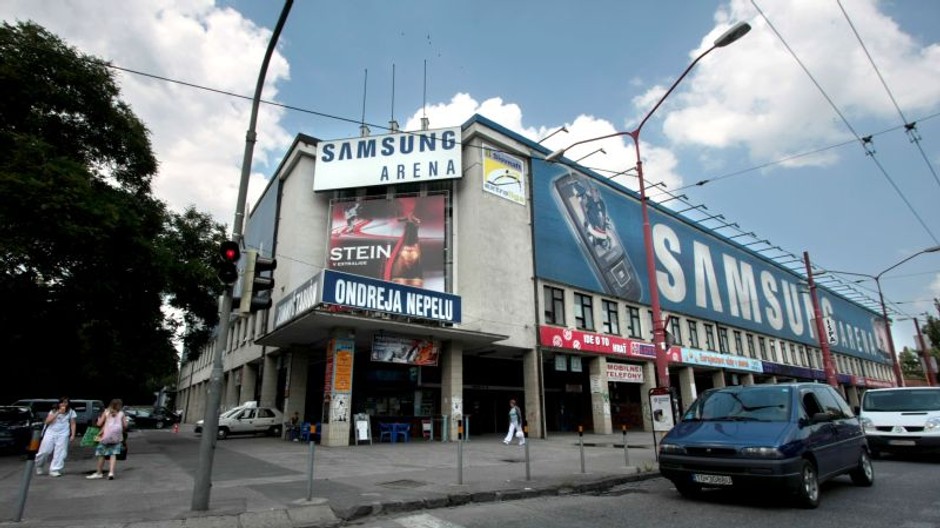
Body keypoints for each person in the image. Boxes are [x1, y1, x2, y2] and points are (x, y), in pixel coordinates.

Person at [86, 399, 127, 480]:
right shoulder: (121, 413)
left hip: (106, 437)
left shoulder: (106, 412)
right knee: (113, 454)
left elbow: (99, 424)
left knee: (101, 454)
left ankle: (99, 473)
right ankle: (111, 473)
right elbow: (125, 425)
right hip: (116, 437)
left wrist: (99, 420)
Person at [35, 397, 77, 477]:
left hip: (63, 433)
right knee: (44, 451)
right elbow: (47, 421)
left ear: (68, 404)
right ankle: (39, 465)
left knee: (60, 452)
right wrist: (58, 412)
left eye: (65, 402)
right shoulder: (53, 411)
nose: (63, 404)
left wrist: (73, 434)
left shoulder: (71, 412)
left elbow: (73, 423)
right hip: (50, 433)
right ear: (59, 403)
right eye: (62, 402)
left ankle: (54, 469)